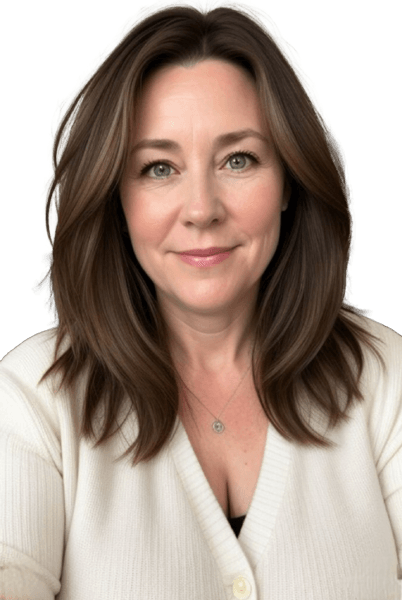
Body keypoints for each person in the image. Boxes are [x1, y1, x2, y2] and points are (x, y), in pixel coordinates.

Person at [1, 0, 401, 598]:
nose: (201, 210)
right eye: (159, 168)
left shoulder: (386, 378)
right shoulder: (33, 399)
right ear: (117, 197)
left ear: (288, 181)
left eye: (238, 160)